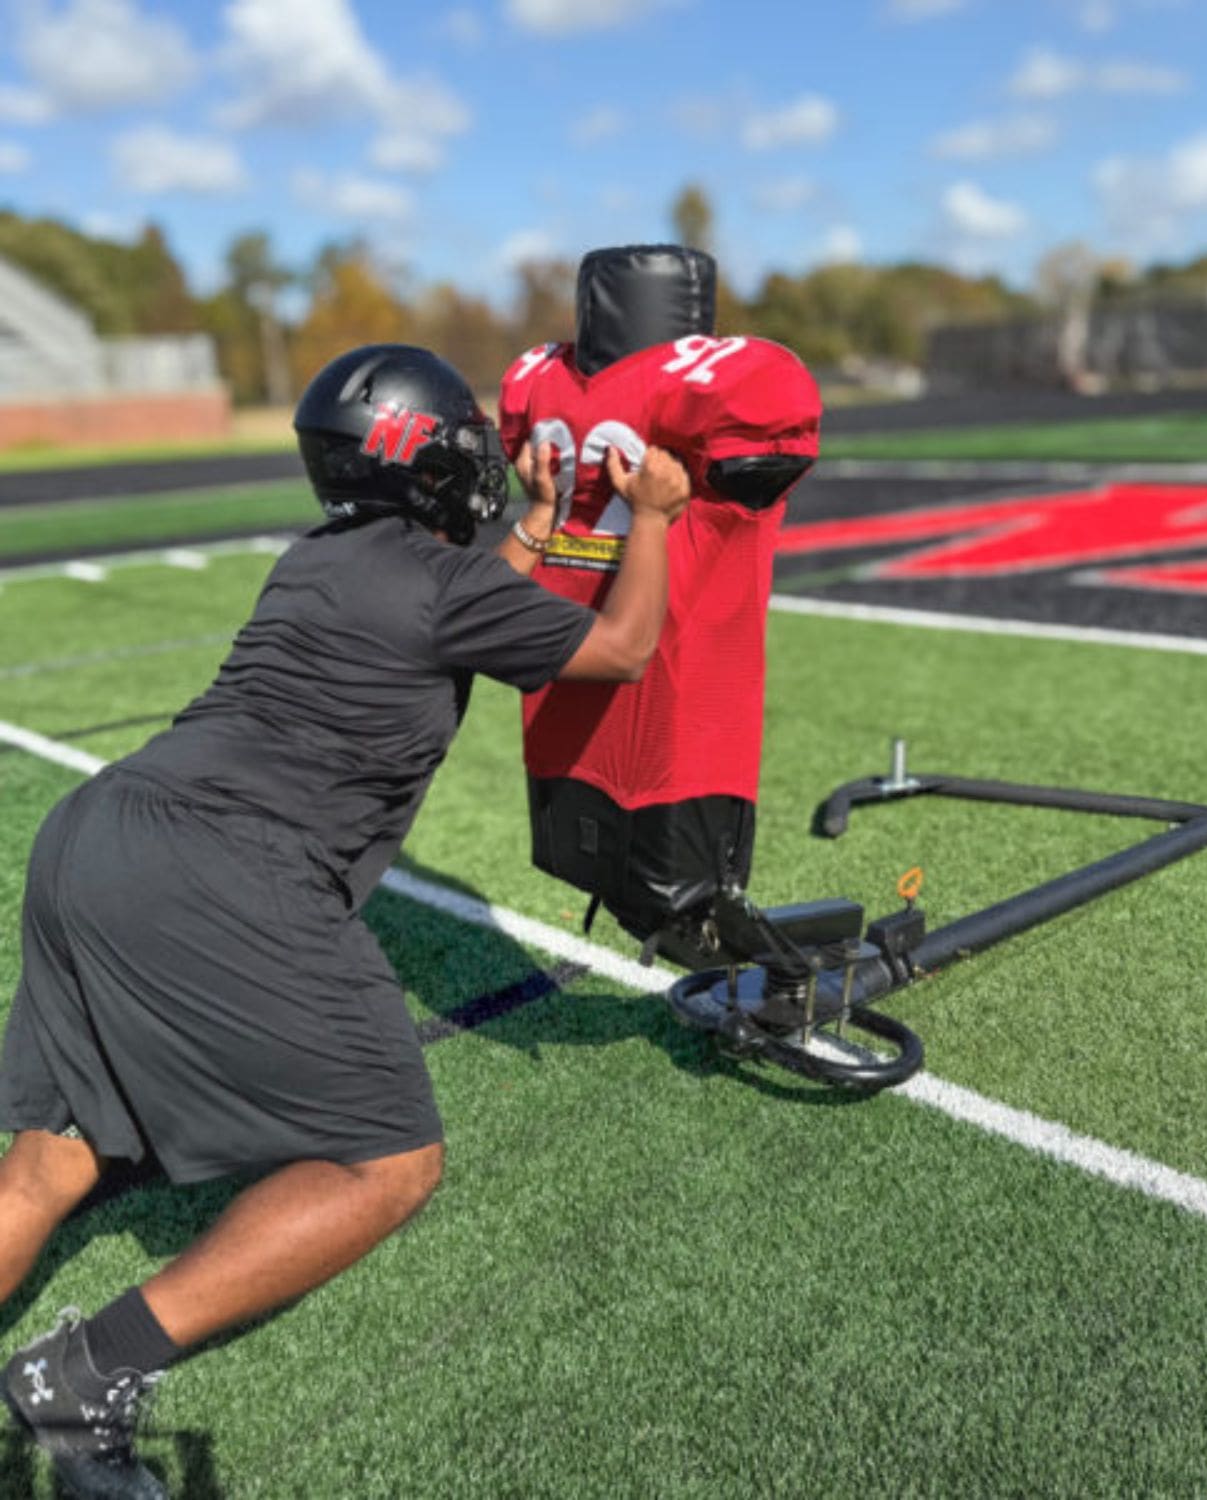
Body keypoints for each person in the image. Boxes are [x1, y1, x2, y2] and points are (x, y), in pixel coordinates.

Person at [0, 343, 690, 1499]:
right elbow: (620, 649)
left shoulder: (319, 561)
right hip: (222, 869)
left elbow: (469, 602)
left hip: (97, 833)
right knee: (390, 1161)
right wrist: (655, 517)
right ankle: (85, 1372)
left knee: (46, 1163)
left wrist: (534, 516)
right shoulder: (437, 580)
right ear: (424, 462)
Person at [499, 244, 821, 963]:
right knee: (676, 863)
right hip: (669, 721)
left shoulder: (540, 383)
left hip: (564, 693)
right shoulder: (713, 387)